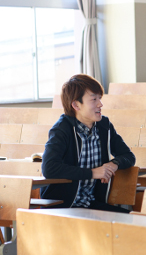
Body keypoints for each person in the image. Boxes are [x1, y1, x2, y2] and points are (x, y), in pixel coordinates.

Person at [41, 74, 136, 212]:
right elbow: (49, 168)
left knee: (134, 222)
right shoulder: (62, 129)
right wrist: (93, 173)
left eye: (100, 98)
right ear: (76, 105)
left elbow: (128, 156)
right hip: (63, 207)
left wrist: (113, 164)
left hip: (91, 205)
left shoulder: (104, 126)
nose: (100, 104)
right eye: (93, 99)